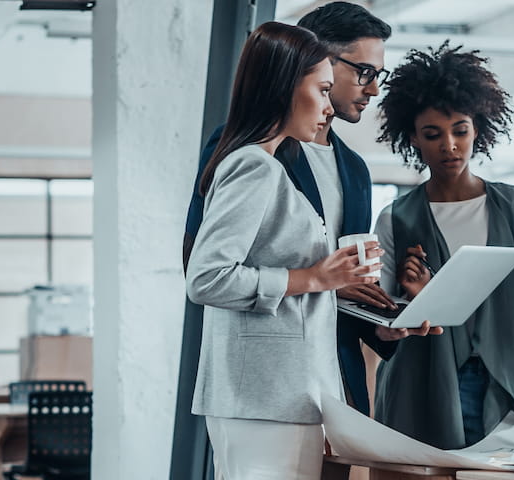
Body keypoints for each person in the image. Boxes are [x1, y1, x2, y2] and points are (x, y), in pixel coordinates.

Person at [183, 1, 434, 421]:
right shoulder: (247, 150)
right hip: (267, 379)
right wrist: (316, 282)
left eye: (379, 75)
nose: (373, 88)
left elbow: (346, 280)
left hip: (337, 373)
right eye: (364, 72)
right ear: (317, 60)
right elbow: (201, 266)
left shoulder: (354, 169)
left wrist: (383, 320)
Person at [368, 43, 514, 450]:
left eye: (460, 130)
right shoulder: (396, 217)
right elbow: (381, 325)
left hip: (500, 386)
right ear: (413, 138)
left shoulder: (513, 206)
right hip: (419, 389)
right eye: (433, 134)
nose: (450, 145)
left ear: (478, 127)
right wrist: (414, 303)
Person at [185, 21, 379, 479]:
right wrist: (314, 278)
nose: (329, 106)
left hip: (288, 394)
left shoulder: (269, 164)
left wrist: (339, 279)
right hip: (261, 397)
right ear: (286, 86)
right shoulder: (254, 165)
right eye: (323, 90)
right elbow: (206, 277)